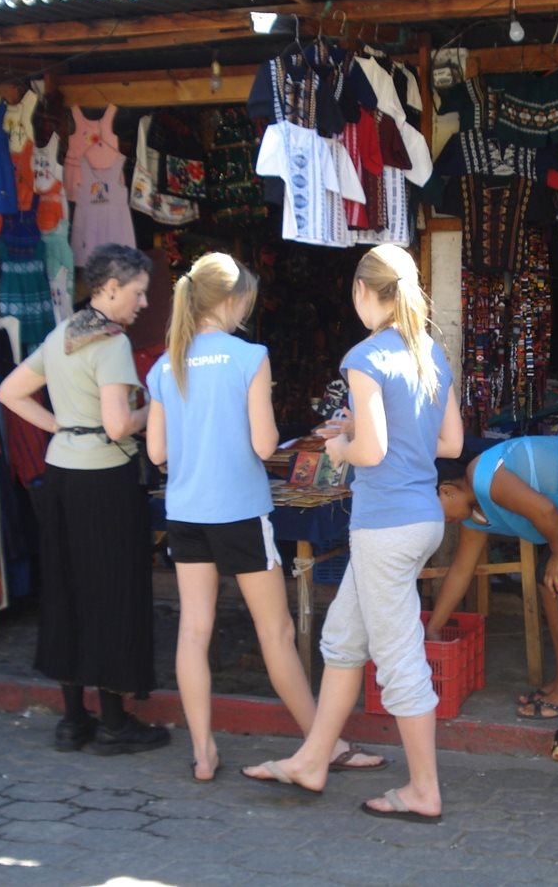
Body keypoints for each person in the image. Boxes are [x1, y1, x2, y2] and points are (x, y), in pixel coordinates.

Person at [242, 244, 463, 825]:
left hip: (383, 524)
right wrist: (359, 426)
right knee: (343, 640)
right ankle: (314, 759)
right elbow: (451, 445)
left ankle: (423, 790)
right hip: (421, 516)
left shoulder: (364, 357)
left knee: (399, 662)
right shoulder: (431, 354)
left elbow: (371, 450)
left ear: (366, 293)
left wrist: (341, 442)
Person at [144, 252, 384, 781]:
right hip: (240, 512)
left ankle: (203, 752)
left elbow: (157, 452)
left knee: (193, 629)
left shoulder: (165, 365)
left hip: (186, 513)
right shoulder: (249, 357)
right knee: (275, 631)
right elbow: (264, 444)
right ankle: (325, 745)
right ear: (231, 302)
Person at [0, 244, 170, 755]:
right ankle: (116, 723)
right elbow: (119, 424)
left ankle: (73, 722)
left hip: (62, 474)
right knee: (112, 593)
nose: (142, 304)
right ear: (110, 287)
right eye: (138, 293)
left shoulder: (60, 335)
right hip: (106, 479)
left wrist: (64, 428)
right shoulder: (112, 343)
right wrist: (154, 413)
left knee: (67, 590)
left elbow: (9, 391)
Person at [428, 433, 558, 720]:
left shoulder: (483, 478)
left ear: (446, 490)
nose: (439, 520)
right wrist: (433, 628)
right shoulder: (473, 516)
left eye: (435, 511)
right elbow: (460, 571)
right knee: (548, 581)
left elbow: (545, 510)